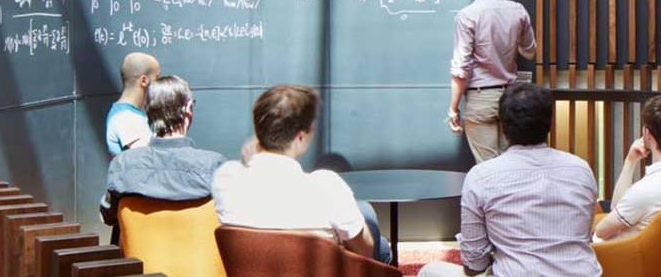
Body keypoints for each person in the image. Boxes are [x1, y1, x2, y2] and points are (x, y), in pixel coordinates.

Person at [421, 82, 601, 277]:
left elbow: (474, 264)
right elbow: (584, 234)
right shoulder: (581, 170)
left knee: (429, 271)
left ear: (503, 127)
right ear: (549, 124)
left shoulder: (481, 177)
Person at [212, 85, 394, 264]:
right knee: (379, 241)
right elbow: (366, 251)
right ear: (300, 137)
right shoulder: (327, 188)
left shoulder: (226, 180)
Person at [100, 76, 224, 228]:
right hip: (199, 251)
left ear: (148, 112)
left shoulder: (122, 165)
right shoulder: (214, 166)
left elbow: (108, 216)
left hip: (139, 251)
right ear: (189, 109)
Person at [447, 0, 538, 163]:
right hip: (511, 98)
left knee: (488, 168)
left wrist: (453, 108)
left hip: (481, 98)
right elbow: (530, 51)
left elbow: (461, 68)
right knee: (510, 164)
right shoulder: (518, 11)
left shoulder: (467, 15)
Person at [594, 95, 661, 244]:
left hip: (618, 258)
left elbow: (601, 231)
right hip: (651, 254)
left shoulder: (645, 191)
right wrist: (631, 160)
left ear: (647, 134)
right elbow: (618, 207)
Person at [105, 52, 161, 155]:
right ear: (144, 81)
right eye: (157, 78)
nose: (159, 85)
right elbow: (148, 159)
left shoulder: (129, 114)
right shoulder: (126, 118)